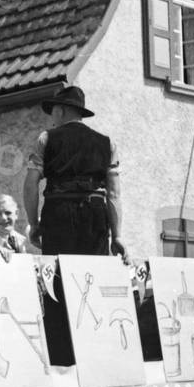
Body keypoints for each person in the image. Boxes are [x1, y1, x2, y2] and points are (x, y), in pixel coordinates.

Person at [22, 85, 125, 259]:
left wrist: (33, 224)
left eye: (53, 112)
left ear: (61, 111)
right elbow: (114, 194)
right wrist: (117, 236)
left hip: (58, 212)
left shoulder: (46, 138)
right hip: (94, 215)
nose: (52, 119)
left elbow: (30, 185)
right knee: (93, 276)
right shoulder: (107, 144)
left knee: (59, 275)